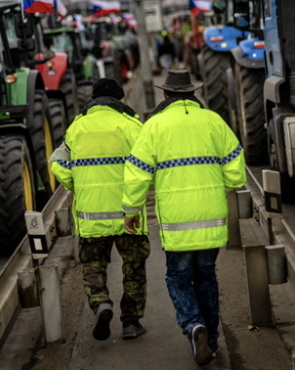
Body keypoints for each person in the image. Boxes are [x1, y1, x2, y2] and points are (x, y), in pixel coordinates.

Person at [122, 69, 246, 366]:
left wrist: (130, 211)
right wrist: (221, 189)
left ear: (165, 94)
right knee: (206, 277)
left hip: (177, 224)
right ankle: (211, 343)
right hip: (212, 218)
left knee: (177, 277)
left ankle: (193, 325)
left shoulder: (154, 126)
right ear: (194, 93)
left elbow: (137, 173)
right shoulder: (213, 121)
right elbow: (235, 170)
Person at [49, 78, 149, 341]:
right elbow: (146, 166)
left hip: (91, 217)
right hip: (129, 216)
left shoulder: (76, 128)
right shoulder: (131, 126)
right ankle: (131, 322)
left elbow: (57, 162)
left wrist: (75, 183)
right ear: (119, 99)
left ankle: (101, 302)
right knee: (134, 269)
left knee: (93, 265)